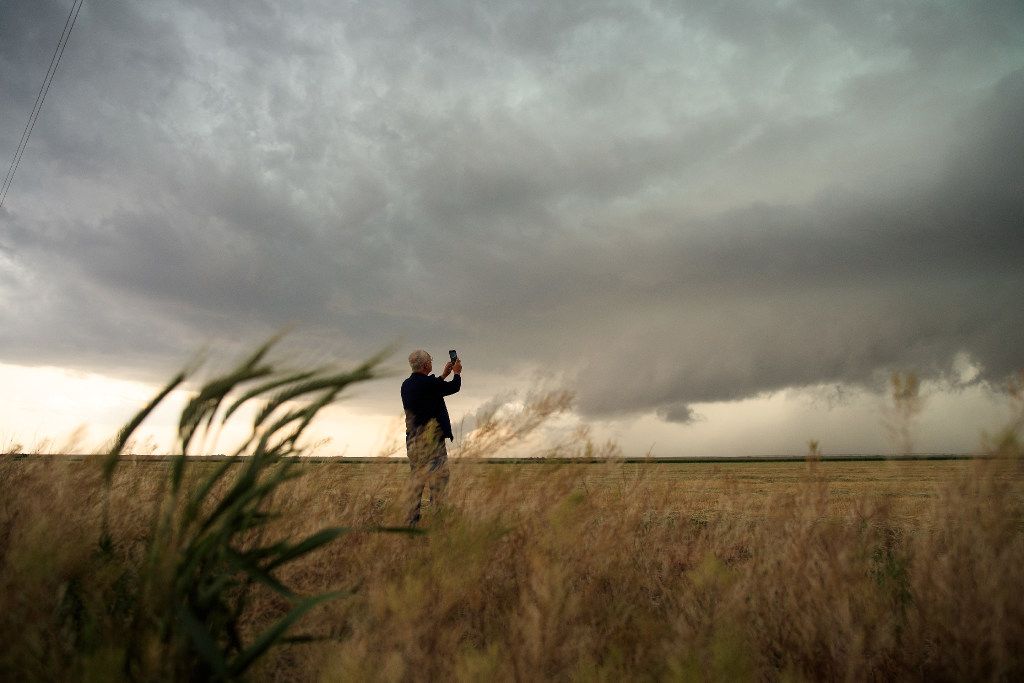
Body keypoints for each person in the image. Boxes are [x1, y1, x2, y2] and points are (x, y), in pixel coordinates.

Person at [401, 349, 462, 526]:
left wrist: (443, 375)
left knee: (417, 481)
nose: (432, 363)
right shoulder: (429, 385)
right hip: (432, 441)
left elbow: (430, 388)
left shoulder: (406, 384)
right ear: (426, 365)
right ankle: (438, 520)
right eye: (431, 361)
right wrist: (456, 373)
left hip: (412, 440)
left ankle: (411, 523)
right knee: (439, 480)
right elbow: (453, 387)